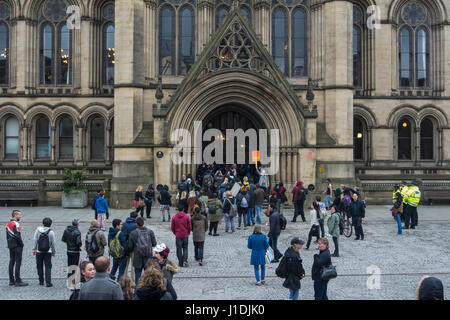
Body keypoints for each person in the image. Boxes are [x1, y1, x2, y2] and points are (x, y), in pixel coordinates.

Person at [127, 216, 157, 285]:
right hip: (148, 256)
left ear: (136, 224)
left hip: (137, 256)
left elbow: (130, 246)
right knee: (148, 275)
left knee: (137, 275)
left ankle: (138, 291)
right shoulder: (150, 232)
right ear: (143, 223)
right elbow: (154, 243)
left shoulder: (133, 233)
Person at [32, 217, 56, 287]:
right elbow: (53, 243)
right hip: (48, 251)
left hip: (39, 251)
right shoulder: (51, 232)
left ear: (43, 223)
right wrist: (53, 251)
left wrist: (34, 249)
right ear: (50, 224)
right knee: (48, 266)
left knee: (39, 266)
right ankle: (48, 282)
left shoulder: (37, 230)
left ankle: (41, 281)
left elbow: (35, 240)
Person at [6, 210, 27, 287]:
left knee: (11, 261)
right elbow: (17, 235)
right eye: (19, 215)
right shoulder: (16, 224)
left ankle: (11, 280)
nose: (21, 216)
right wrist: (21, 244)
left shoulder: (8, 224)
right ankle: (18, 280)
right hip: (17, 246)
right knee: (18, 262)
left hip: (11, 245)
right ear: (15, 215)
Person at [171, 203, 192, 267]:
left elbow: (172, 227)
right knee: (185, 247)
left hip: (178, 234)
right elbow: (189, 226)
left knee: (179, 248)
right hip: (185, 234)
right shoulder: (187, 216)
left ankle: (180, 262)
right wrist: (188, 232)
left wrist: (175, 232)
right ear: (183, 209)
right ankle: (185, 260)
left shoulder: (174, 217)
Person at [122, 211, 138, 280]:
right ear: (136, 217)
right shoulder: (136, 225)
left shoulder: (124, 224)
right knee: (133, 265)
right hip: (134, 247)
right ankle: (132, 279)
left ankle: (124, 278)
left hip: (126, 246)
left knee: (126, 264)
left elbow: (122, 235)